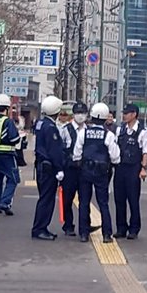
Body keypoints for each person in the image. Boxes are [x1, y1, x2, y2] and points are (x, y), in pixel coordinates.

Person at [72, 101, 120, 242]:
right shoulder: (109, 135)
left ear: (91, 116)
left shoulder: (83, 133)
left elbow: (76, 154)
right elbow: (115, 157)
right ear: (105, 118)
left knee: (84, 202)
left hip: (85, 171)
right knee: (103, 203)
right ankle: (106, 235)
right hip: (102, 172)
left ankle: (83, 233)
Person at [30, 95, 66, 240]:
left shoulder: (40, 124)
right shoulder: (51, 128)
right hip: (48, 168)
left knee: (43, 198)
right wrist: (59, 169)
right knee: (47, 199)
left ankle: (40, 227)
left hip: (40, 165)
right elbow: (54, 151)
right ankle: (40, 229)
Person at [113, 102, 147, 240]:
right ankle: (121, 228)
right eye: (124, 113)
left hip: (133, 168)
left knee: (133, 199)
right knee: (119, 199)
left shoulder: (142, 131)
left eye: (127, 113)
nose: (124, 116)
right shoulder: (120, 129)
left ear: (134, 114)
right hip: (120, 167)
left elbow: (145, 151)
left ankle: (134, 229)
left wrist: (143, 168)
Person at [0, 92, 22, 216]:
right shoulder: (8, 122)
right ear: (7, 108)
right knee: (13, 179)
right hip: (8, 155)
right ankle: (5, 202)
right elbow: (14, 139)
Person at [59, 101, 88, 237]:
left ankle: (85, 227)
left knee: (85, 200)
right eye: (77, 113)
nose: (80, 116)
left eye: (82, 113)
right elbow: (60, 149)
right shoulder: (65, 129)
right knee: (67, 199)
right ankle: (68, 225)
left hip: (84, 170)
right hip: (69, 169)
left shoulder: (89, 130)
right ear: (73, 114)